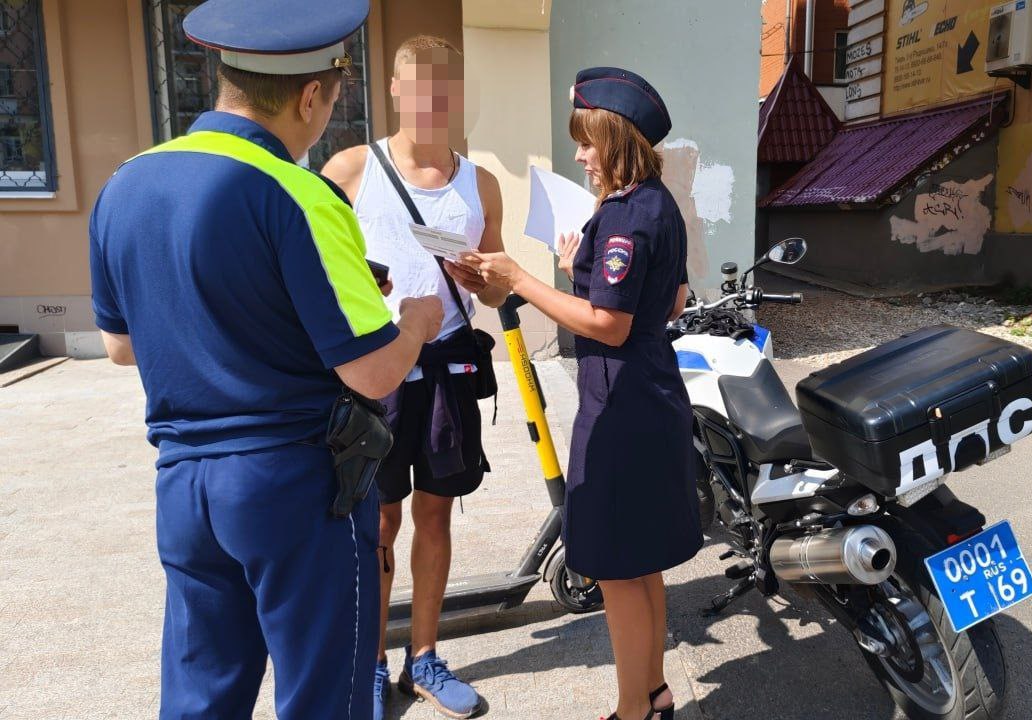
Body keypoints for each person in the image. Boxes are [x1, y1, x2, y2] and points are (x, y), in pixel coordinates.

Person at [87, 1, 445, 717]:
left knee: (201, 697)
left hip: (185, 484)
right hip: (294, 484)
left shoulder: (126, 180)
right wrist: (415, 321)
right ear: (311, 94)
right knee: (323, 698)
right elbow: (372, 371)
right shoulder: (300, 194)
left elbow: (121, 346)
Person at [460, 67, 703, 720]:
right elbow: (672, 299)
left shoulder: (624, 215)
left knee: (617, 571)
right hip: (651, 396)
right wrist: (580, 271)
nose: (578, 155)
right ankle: (653, 697)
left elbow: (608, 322)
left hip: (620, 411)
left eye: (586, 141)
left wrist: (518, 279)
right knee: (640, 565)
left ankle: (632, 712)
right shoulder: (658, 203)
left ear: (614, 137)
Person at [322, 34, 502, 720]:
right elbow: (316, 268)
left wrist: (480, 280)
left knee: (435, 514)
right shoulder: (349, 169)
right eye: (417, 89)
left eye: (443, 91)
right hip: (379, 373)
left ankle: (422, 658)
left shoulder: (479, 183)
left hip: (450, 368)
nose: (431, 103)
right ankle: (368, 661)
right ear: (395, 90)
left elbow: (492, 292)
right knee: (378, 519)